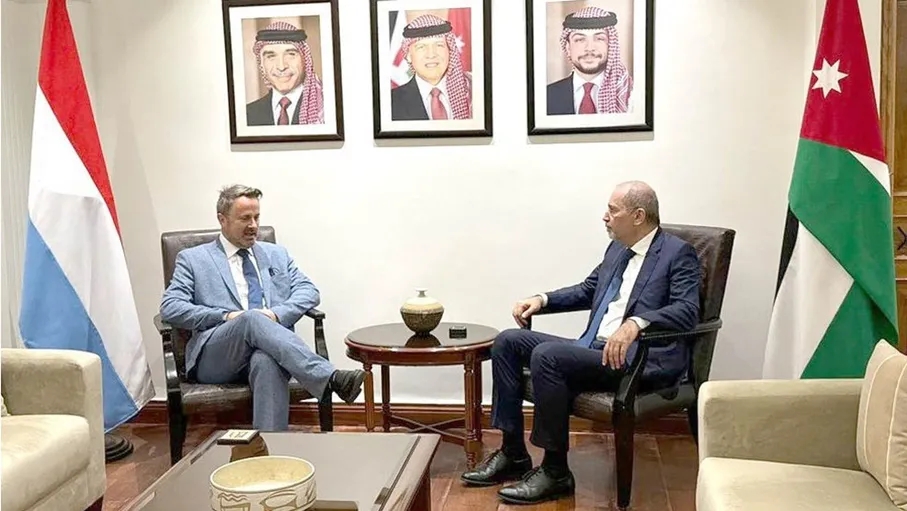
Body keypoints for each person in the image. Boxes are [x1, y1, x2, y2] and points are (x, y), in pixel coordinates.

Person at [460, 181, 701, 504]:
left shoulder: (677, 253)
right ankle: (513, 452)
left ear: (638, 216)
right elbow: (589, 289)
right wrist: (542, 299)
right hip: (595, 349)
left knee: (547, 355)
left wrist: (637, 323)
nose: (605, 217)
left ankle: (556, 471)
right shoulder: (618, 249)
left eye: (612, 210)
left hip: (639, 359)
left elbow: (688, 310)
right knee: (507, 341)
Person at [159, 184, 364, 431]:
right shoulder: (193, 259)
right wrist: (226, 316)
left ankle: (269, 448)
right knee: (250, 319)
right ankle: (330, 376)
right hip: (217, 356)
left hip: (269, 348)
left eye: (257, 217)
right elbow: (171, 307)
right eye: (245, 218)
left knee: (266, 361)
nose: (253, 225)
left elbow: (309, 292)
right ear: (222, 220)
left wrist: (275, 314)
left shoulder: (276, 255)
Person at [546, 6, 634, 116]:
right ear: (568, 48)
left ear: (611, 45)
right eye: (580, 39)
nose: (589, 48)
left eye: (599, 39)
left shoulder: (631, 95)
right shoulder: (546, 96)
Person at [390, 13, 472, 121]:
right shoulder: (390, 103)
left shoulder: (473, 93)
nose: (431, 54)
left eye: (439, 45)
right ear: (408, 56)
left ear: (450, 50)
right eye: (421, 47)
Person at [246, 20, 325, 126]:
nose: (281, 66)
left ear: (305, 60)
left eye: (291, 54)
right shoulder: (247, 114)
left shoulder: (326, 109)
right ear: (262, 65)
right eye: (271, 56)